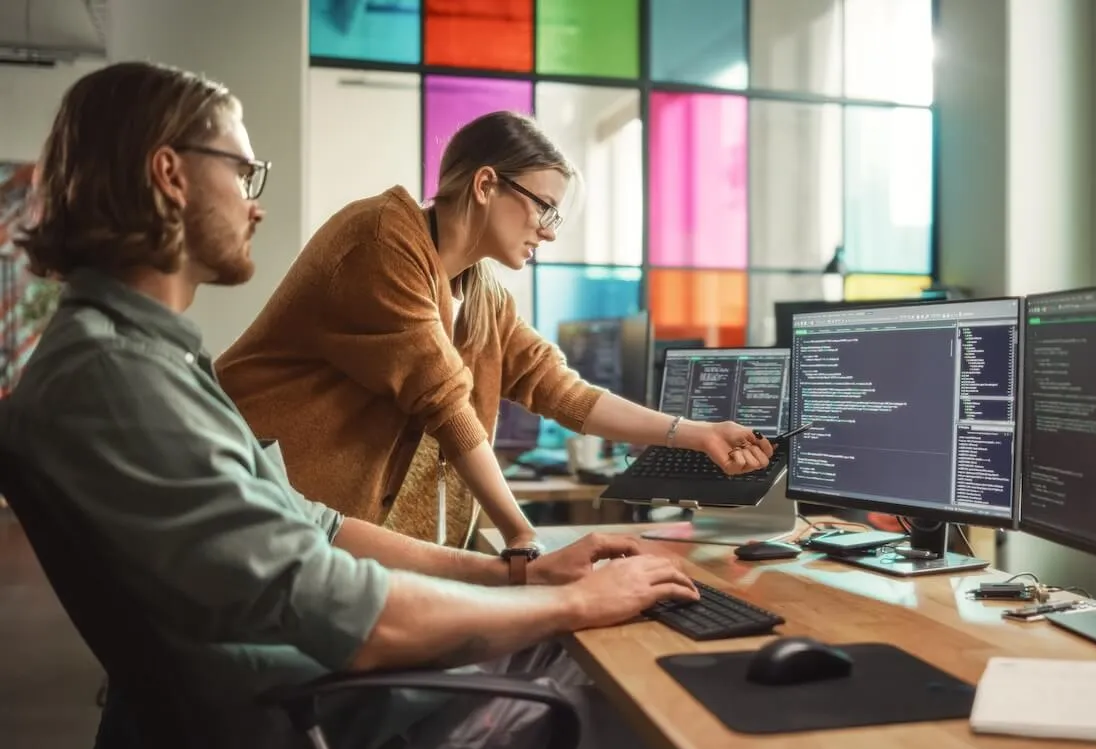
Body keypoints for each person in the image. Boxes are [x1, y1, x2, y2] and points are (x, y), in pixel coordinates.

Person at [4, 60, 697, 749]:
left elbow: (316, 525)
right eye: (243, 172)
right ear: (170, 174)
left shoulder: (149, 363)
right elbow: (345, 606)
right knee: (628, 701)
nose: (255, 204)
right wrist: (568, 596)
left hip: (306, 692)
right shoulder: (118, 382)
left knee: (588, 640)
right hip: (302, 728)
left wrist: (515, 573)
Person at [213, 110, 774, 551]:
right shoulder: (383, 240)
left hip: (335, 542)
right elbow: (445, 402)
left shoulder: (481, 293)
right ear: (486, 185)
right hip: (255, 514)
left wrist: (697, 433)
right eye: (544, 209)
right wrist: (522, 535)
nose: (548, 233)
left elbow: (561, 390)